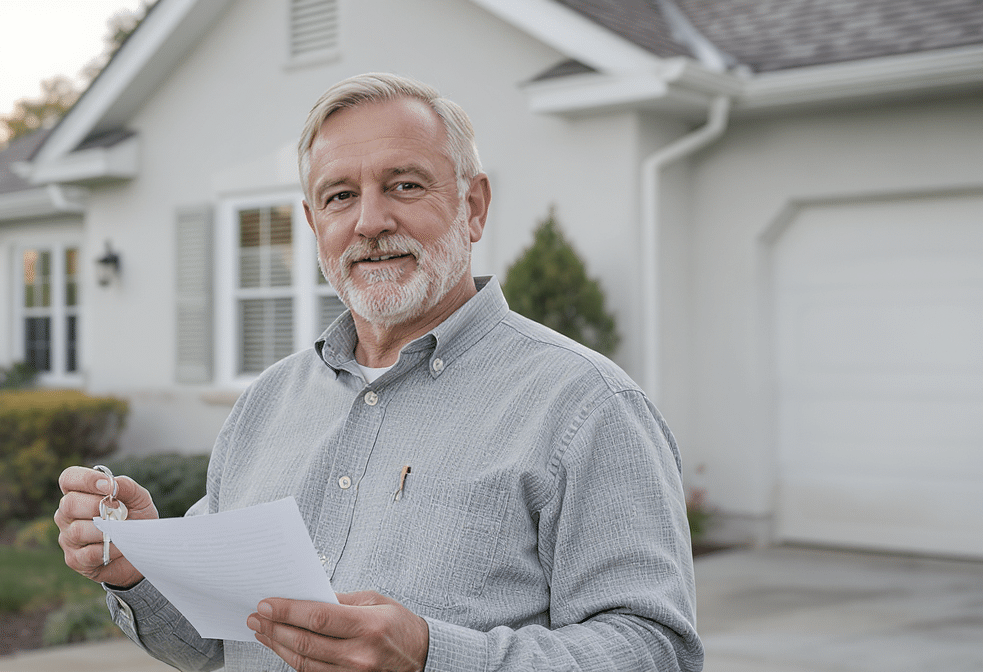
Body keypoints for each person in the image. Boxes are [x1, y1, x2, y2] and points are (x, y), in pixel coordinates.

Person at [55, 72, 703, 672]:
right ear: (315, 226)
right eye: (340, 196)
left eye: (405, 184)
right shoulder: (266, 405)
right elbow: (213, 648)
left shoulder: (587, 406)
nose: (369, 221)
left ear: (474, 207)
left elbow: (655, 649)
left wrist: (432, 656)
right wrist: (137, 569)